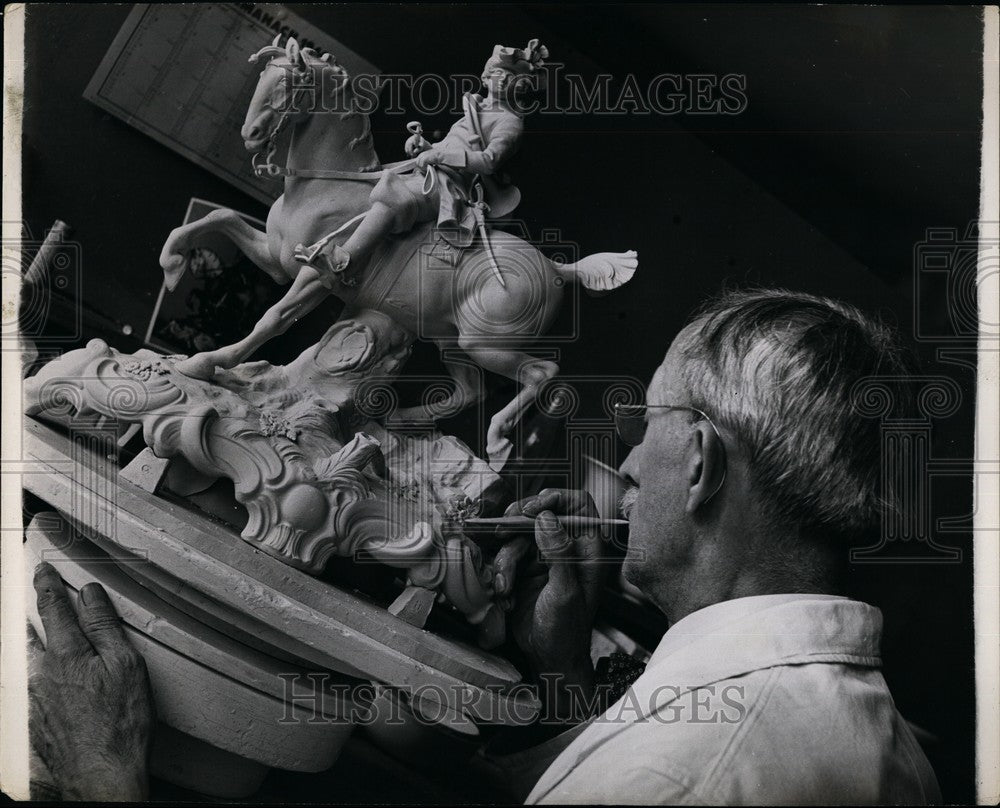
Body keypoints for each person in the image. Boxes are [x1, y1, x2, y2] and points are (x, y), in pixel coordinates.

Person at [28, 288, 942, 804]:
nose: (628, 461)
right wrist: (557, 673)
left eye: (648, 425)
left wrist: (101, 778)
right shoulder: (884, 748)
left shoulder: (686, 774)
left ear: (699, 460)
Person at [299, 39, 547, 282]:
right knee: (369, 180)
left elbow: (488, 161)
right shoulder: (476, 106)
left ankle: (345, 263)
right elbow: (452, 145)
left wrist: (438, 155)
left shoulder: (509, 122)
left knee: (394, 196)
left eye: (510, 78)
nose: (502, 79)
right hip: (433, 171)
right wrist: (424, 146)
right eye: (498, 73)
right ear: (487, 76)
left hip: (453, 184)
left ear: (520, 88)